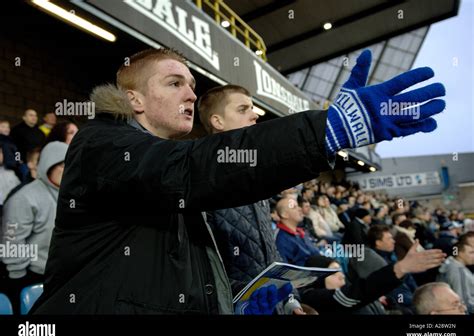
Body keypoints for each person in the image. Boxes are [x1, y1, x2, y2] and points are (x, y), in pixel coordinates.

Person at [31, 47, 446, 314]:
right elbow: (190, 170)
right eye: (175, 83)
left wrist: (238, 307)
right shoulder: (99, 143)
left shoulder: (171, 175)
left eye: (193, 86)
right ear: (134, 99)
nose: (191, 94)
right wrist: (325, 131)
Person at [198, 84, 305, 314]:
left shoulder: (255, 177)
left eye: (252, 108)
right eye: (243, 109)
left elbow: (270, 252)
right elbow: (204, 270)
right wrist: (245, 299)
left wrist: (290, 299)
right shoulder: (203, 182)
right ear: (218, 122)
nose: (255, 114)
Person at [1, 141, 68, 314]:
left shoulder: (70, 195)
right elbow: (12, 240)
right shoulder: (25, 197)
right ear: (48, 165)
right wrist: (18, 278)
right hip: (31, 277)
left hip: (61, 275)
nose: (67, 169)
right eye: (62, 164)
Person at [300, 242, 445, 314]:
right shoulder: (312, 298)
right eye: (333, 272)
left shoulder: (346, 289)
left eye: (340, 271)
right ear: (317, 277)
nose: (341, 276)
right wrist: (400, 268)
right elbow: (358, 293)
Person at [437, 239, 474, 314]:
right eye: (471, 252)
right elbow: (465, 302)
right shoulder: (458, 271)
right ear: (460, 253)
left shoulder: (452, 264)